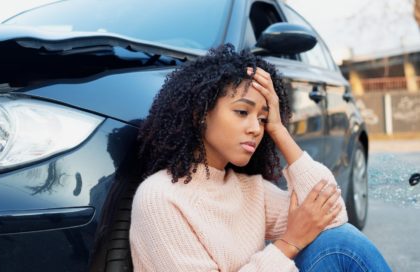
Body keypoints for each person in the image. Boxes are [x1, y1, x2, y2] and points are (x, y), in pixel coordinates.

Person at [130, 44, 391, 271]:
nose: (256, 128)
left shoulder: (250, 190)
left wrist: (279, 131)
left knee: (339, 242)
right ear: (201, 112)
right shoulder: (160, 197)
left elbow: (332, 216)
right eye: (242, 112)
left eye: (262, 118)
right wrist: (289, 242)